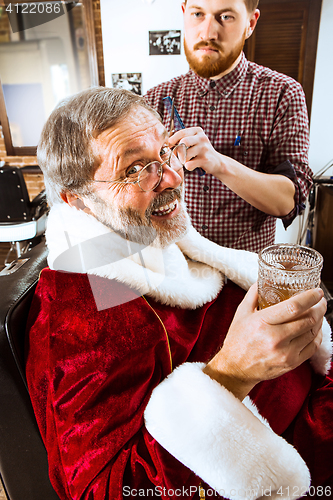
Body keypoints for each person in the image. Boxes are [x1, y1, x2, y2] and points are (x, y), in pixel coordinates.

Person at [25, 87, 332, 500]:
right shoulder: (85, 306)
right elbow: (104, 490)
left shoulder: (152, 239)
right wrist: (233, 374)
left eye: (165, 153)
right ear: (75, 199)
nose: (170, 178)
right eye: (134, 170)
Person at [145, 0, 313, 253]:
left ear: (251, 22)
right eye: (198, 14)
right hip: (176, 267)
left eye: (225, 17)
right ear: (184, 14)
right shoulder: (156, 98)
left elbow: (288, 202)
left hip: (246, 270)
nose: (208, 32)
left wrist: (219, 163)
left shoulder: (282, 93)